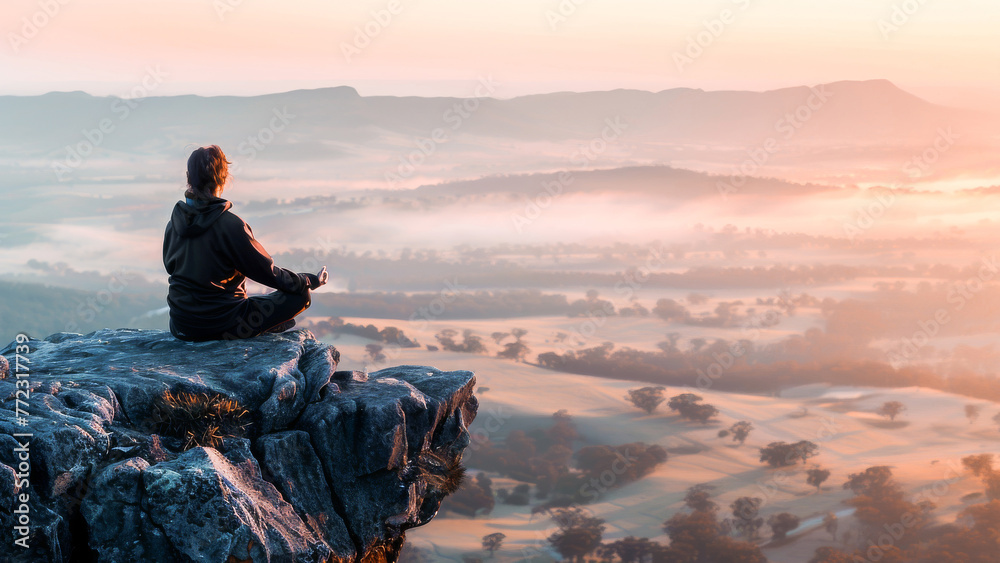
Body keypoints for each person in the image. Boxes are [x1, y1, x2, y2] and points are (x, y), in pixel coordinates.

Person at [163, 145, 328, 341]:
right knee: (300, 296)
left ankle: (261, 325)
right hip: (224, 325)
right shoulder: (231, 226)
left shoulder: (173, 226)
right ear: (222, 178)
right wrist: (308, 280)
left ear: (189, 177)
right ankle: (262, 326)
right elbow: (268, 273)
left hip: (182, 326)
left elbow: (170, 266)